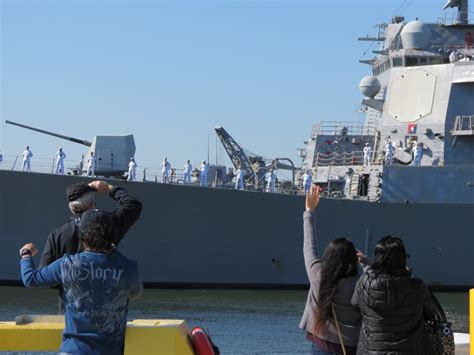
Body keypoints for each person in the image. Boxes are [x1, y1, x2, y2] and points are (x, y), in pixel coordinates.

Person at [19, 209, 143, 354]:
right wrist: (115, 253)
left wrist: (26, 254)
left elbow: (30, 279)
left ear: (82, 237)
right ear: (112, 237)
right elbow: (136, 294)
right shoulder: (128, 267)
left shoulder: (68, 264)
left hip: (74, 350)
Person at [39, 180, 142, 312]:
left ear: (71, 207)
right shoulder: (109, 225)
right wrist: (110, 188)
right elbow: (134, 205)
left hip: (71, 317)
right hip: (107, 316)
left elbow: (45, 276)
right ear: (93, 205)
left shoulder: (56, 235)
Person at [300, 186, 369, 355]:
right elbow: (376, 281)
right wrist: (365, 261)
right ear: (353, 259)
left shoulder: (319, 275)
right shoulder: (361, 284)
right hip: (351, 348)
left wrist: (309, 212)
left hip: (321, 344)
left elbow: (309, 247)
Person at [351, 236, 436, 354]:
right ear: (402, 259)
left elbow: (355, 305)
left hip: (372, 350)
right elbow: (431, 313)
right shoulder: (416, 286)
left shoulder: (364, 283)